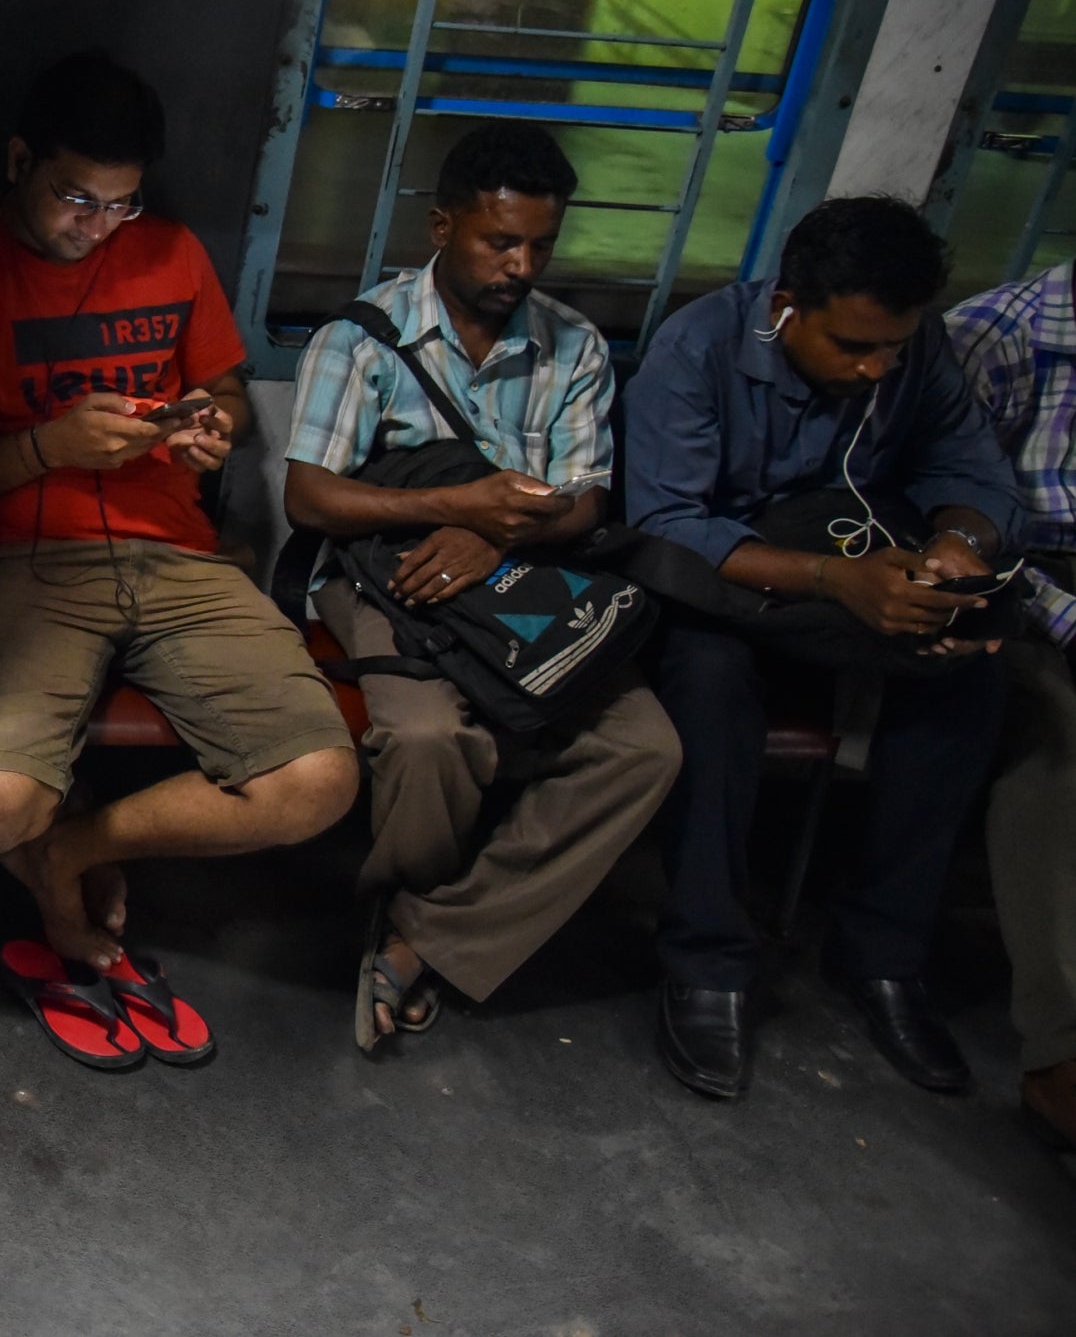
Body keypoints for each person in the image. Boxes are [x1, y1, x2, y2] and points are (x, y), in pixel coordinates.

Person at [0, 50, 358, 1058]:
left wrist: (208, 427)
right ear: (18, 160)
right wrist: (47, 446)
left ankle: (71, 863)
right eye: (73, 196)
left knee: (317, 781)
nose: (94, 224)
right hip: (15, 564)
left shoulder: (168, 253)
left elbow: (228, 397)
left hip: (176, 556)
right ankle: (55, 862)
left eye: (118, 205)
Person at [283, 124, 680, 1051]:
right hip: (392, 576)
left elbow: (583, 503)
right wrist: (456, 510)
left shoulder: (571, 345)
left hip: (521, 577)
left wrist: (495, 534)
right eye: (499, 241)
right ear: (441, 225)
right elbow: (310, 498)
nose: (520, 264)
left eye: (539, 244)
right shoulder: (364, 337)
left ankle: (427, 934)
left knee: (645, 750)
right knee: (426, 738)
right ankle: (396, 917)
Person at [625, 196, 1024, 1100]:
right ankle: (707, 962)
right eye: (853, 348)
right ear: (786, 309)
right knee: (709, 675)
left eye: (892, 347)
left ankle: (882, 952)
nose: (877, 367)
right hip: (731, 595)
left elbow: (972, 475)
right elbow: (667, 526)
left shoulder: (908, 350)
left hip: (856, 580)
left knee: (967, 672)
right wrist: (832, 579)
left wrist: (958, 545)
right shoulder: (698, 351)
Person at [948, 262, 1076, 1146]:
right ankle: (1059, 1049)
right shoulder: (1004, 335)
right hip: (1023, 600)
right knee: (1063, 748)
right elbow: (954, 515)